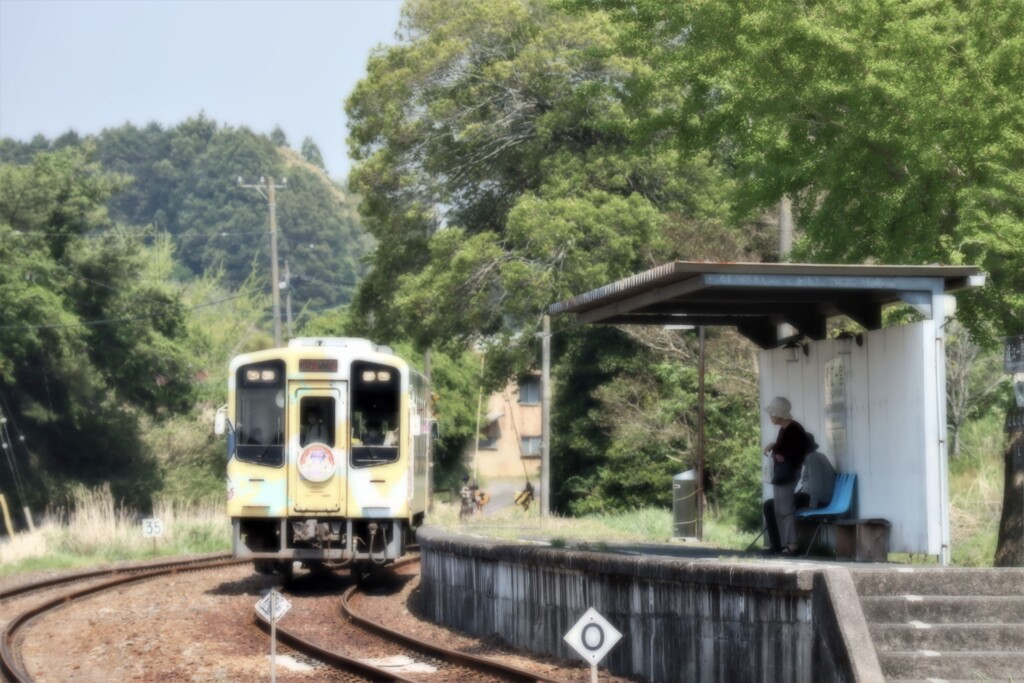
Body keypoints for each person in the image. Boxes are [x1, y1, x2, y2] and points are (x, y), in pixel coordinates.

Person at [762, 432, 836, 553]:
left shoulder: (812, 458)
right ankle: (778, 545)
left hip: (816, 499)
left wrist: (812, 507)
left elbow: (816, 486)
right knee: (773, 504)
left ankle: (778, 546)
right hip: (811, 497)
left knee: (770, 506)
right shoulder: (813, 457)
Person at [762, 396, 808, 556]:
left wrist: (785, 457)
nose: (770, 416)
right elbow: (784, 448)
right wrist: (774, 447)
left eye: (772, 413)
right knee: (778, 508)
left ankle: (792, 544)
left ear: (779, 413)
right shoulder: (784, 429)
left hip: (788, 473)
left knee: (786, 508)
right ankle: (783, 544)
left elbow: (799, 450)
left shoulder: (794, 429)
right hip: (781, 473)